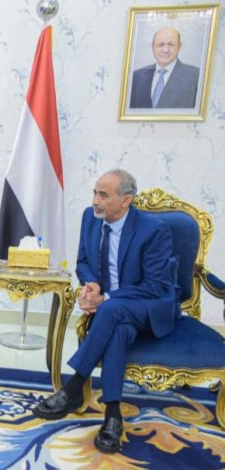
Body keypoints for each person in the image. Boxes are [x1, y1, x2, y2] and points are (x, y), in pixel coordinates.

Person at [31, 170, 180, 454]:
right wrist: (92, 286)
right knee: (119, 330)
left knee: (111, 309)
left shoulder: (154, 230)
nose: (95, 201)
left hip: (147, 305)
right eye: (95, 193)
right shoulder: (91, 217)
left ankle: (73, 387)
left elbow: (154, 286)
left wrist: (106, 299)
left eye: (103, 195)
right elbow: (83, 262)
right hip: (114, 311)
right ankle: (113, 414)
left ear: (126, 200)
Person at [129, 26, 200, 109]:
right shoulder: (136, 76)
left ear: (179, 47)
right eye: (160, 45)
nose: (165, 50)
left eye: (171, 45)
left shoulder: (196, 76)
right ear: (153, 47)